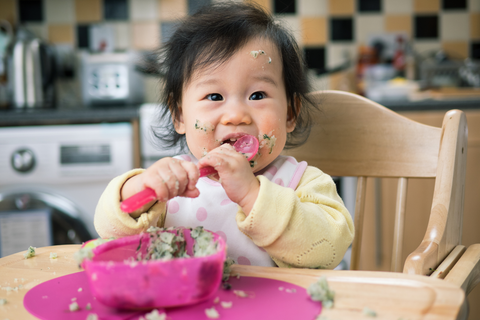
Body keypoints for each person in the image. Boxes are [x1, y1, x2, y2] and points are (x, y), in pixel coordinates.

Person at [94, 1, 354, 269]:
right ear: (180, 116)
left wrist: (252, 196)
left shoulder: (302, 184)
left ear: (290, 113)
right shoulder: (173, 186)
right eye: (214, 96)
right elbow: (109, 233)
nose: (236, 115)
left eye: (257, 95)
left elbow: (328, 250)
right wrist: (139, 189)